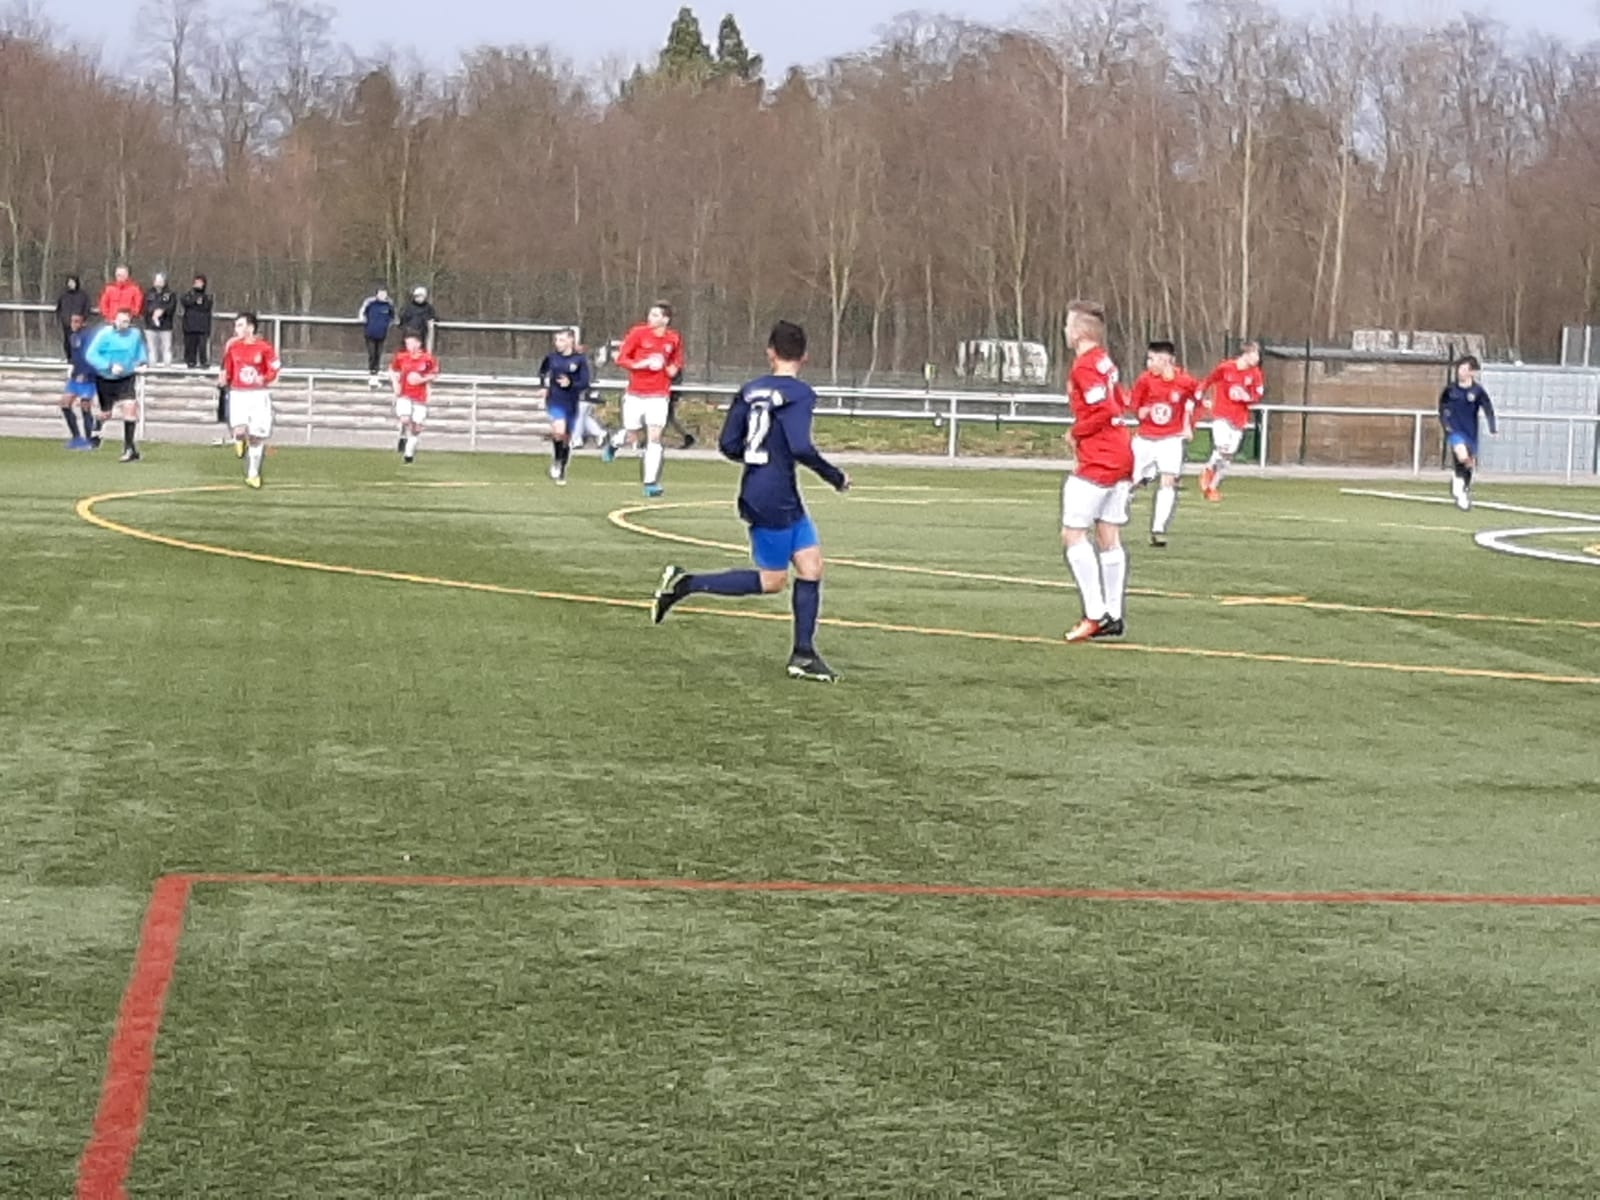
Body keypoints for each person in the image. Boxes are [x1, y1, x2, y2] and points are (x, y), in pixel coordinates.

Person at [650, 320, 850, 683]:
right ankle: (686, 583)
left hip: (768, 488)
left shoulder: (750, 390)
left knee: (812, 567)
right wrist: (834, 476)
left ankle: (803, 655)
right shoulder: (801, 394)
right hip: (774, 495)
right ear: (805, 356)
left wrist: (760, 459)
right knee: (773, 581)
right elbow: (800, 446)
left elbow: (729, 444)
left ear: (770, 352)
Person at [1060, 301, 1135, 643]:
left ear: (1078, 331)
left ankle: (1094, 613)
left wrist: (1076, 432)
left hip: (1100, 458)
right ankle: (1114, 616)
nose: (1065, 331)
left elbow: (1104, 408)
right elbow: (1117, 401)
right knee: (1108, 534)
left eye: (1068, 325)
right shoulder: (1105, 360)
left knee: (1073, 534)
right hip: (1121, 453)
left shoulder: (1086, 365)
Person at [604, 302, 684, 497]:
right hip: (635, 394)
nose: (651, 318)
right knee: (631, 433)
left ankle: (650, 483)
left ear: (665, 319)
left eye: (656, 315)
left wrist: (671, 369)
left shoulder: (673, 338)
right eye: (650, 314)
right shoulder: (638, 333)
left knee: (654, 437)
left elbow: (676, 361)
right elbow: (622, 358)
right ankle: (614, 444)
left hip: (659, 396)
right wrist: (641, 364)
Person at [1129, 340, 1200, 547]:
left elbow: (1195, 403)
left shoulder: (1185, 382)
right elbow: (1135, 405)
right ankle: (1116, 508)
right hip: (1145, 438)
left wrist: (1188, 426)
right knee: (1131, 481)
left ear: (1165, 360)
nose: (1148, 363)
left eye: (1152, 359)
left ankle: (1158, 529)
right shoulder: (1145, 380)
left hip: (1171, 439)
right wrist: (1141, 411)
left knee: (1168, 481)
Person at [219, 312, 281, 489]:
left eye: (240, 325)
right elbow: (227, 368)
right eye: (236, 325)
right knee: (239, 430)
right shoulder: (233, 347)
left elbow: (275, 367)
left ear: (251, 328)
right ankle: (238, 439)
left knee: (256, 436)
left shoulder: (264, 347)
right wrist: (224, 378)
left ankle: (253, 474)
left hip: (258, 395)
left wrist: (266, 378)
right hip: (239, 394)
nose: (236, 329)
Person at [1197, 341, 1264, 502]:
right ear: (1246, 353)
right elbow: (1208, 380)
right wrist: (1200, 393)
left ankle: (1212, 488)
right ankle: (1208, 469)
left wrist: (1248, 397)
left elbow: (1258, 394)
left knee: (1227, 457)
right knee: (1222, 447)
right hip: (1222, 415)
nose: (1257, 358)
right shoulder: (1226, 368)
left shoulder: (1255, 373)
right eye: (1255, 354)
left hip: (1239, 419)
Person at [84, 308, 149, 463]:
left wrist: (143, 362)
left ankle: (129, 448)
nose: (122, 324)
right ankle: (97, 426)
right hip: (105, 379)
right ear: (114, 320)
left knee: (130, 406)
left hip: (126, 377)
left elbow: (140, 350)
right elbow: (90, 355)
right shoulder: (105, 334)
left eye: (126, 321)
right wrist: (109, 365)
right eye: (120, 321)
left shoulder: (135, 334)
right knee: (106, 413)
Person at [1438, 355, 1497, 511]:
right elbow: (1442, 407)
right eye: (1459, 369)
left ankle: (1461, 487)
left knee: (1468, 464)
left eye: (1464, 369)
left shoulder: (1477, 391)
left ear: (1472, 372)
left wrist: (1492, 426)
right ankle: (1459, 487)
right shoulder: (1450, 390)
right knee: (1462, 456)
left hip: (1470, 433)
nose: (1460, 372)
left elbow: (1488, 408)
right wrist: (1446, 424)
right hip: (1455, 431)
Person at [537, 328, 591, 484]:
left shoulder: (579, 360)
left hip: (571, 401)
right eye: (556, 340)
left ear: (570, 340)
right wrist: (544, 387)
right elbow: (542, 372)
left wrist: (571, 383)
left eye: (561, 340)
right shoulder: (551, 358)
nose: (557, 343)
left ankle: (561, 466)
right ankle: (557, 462)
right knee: (559, 431)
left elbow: (584, 382)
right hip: (555, 399)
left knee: (566, 437)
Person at [390, 329, 440, 464]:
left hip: (419, 396)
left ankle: (409, 453)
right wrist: (395, 384)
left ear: (418, 343)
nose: (409, 346)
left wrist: (421, 380)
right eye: (407, 344)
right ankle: (402, 435)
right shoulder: (401, 357)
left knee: (416, 428)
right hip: (404, 394)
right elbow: (393, 370)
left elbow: (434, 375)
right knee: (405, 419)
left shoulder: (427, 359)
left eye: (411, 343)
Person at [59, 312, 99, 449]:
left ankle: (89, 440)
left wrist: (88, 373)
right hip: (75, 377)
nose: (73, 324)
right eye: (72, 321)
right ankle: (76, 437)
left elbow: (92, 357)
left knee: (85, 406)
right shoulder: (73, 336)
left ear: (83, 323)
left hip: (88, 378)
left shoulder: (89, 336)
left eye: (77, 322)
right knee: (65, 404)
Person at [359, 286, 396, 386]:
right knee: (372, 354)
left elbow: (393, 317)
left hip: (382, 334)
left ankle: (376, 374)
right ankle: (372, 373)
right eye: (380, 293)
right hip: (370, 333)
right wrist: (365, 322)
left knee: (378, 354)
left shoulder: (389, 305)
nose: (382, 295)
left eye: (384, 293)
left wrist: (387, 324)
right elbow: (362, 314)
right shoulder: (370, 303)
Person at [53, 275, 92, 361]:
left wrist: (83, 319)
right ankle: (69, 358)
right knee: (67, 341)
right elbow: (59, 307)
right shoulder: (63, 295)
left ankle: (78, 358)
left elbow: (87, 308)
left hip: (79, 323)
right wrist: (61, 318)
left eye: (72, 282)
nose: (70, 284)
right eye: (69, 282)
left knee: (78, 341)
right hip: (66, 322)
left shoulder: (83, 295)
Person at [142, 272, 177, 366]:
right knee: (151, 349)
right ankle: (152, 368)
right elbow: (144, 307)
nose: (158, 283)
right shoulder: (148, 294)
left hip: (166, 326)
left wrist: (162, 311)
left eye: (160, 281)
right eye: (157, 281)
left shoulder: (170, 294)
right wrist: (153, 312)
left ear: (165, 282)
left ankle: (167, 368)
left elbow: (172, 307)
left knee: (166, 349)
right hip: (150, 326)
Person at [181, 275, 215, 368]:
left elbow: (206, 306)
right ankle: (191, 362)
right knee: (190, 346)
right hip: (190, 326)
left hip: (203, 327)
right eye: (196, 282)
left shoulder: (207, 296)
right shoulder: (188, 295)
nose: (198, 284)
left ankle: (204, 362)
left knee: (203, 346)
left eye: (200, 283)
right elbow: (186, 302)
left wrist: (197, 303)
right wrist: (195, 300)